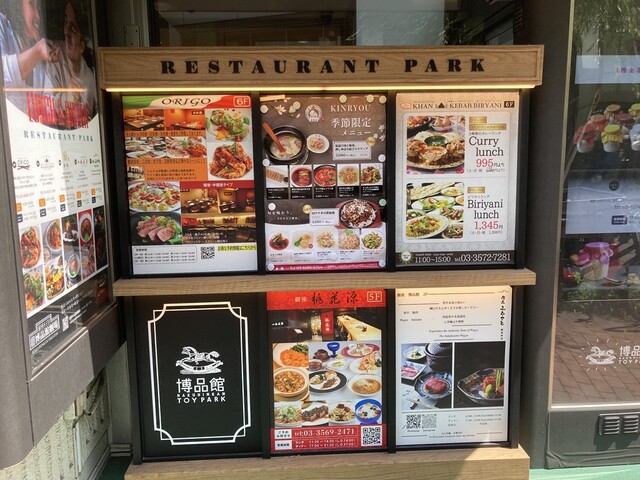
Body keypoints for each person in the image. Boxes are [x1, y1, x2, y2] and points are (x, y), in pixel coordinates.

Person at [45, 0, 97, 118]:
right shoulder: (55, 57)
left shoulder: (90, 78)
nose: (66, 32)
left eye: (73, 28)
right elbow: (45, 105)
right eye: (66, 22)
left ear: (82, 46)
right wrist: (66, 98)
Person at [0, 0, 58, 103]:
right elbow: (2, 76)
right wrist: (37, 52)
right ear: (18, 7)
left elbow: (49, 99)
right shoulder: (2, 24)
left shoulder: (43, 52)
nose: (38, 16)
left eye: (38, 7)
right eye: (31, 4)